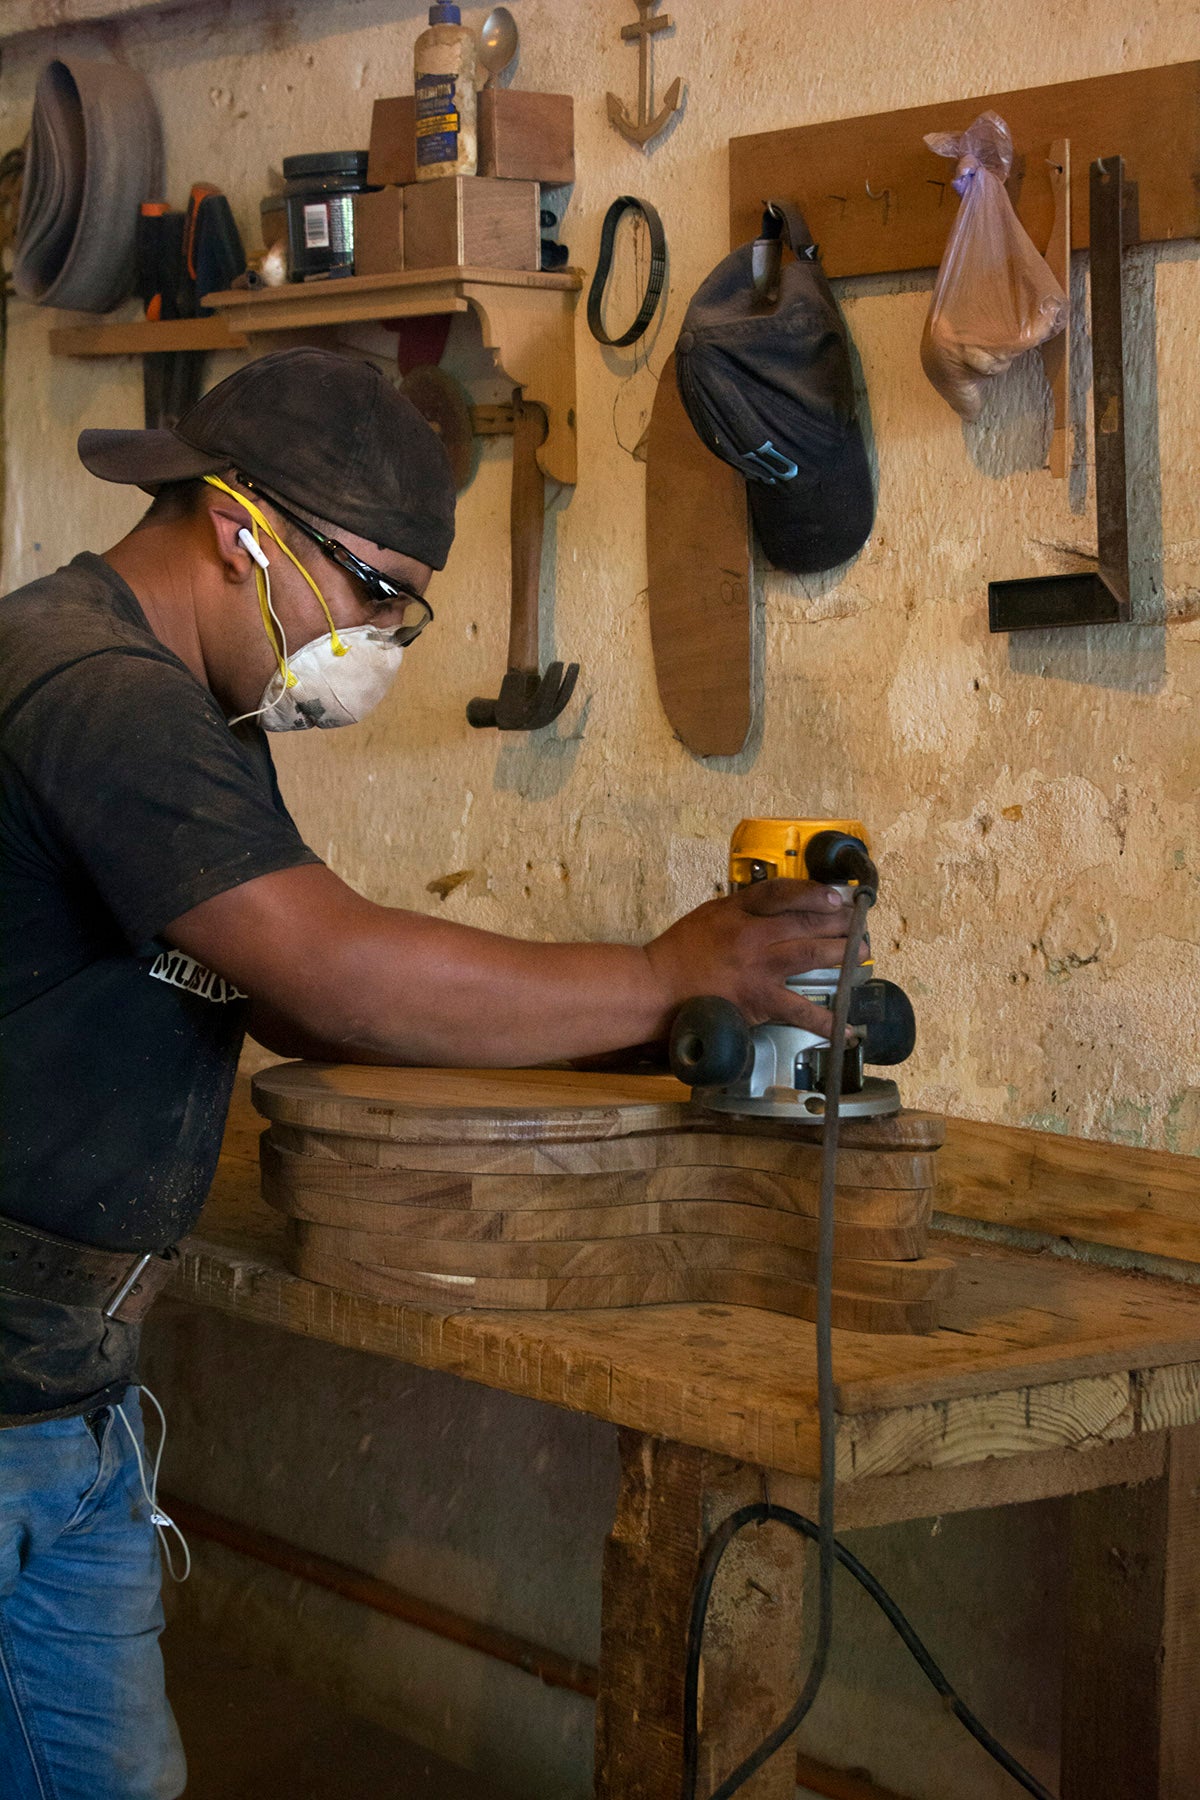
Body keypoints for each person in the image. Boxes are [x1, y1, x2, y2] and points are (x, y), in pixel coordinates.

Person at [0, 347, 855, 1800]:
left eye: (408, 608)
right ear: (237, 532)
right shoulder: (96, 688)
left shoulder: (190, 699)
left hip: (60, 1394)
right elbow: (331, 964)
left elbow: (297, 996)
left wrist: (637, 1028)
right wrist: (662, 973)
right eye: (376, 594)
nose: (386, 641)